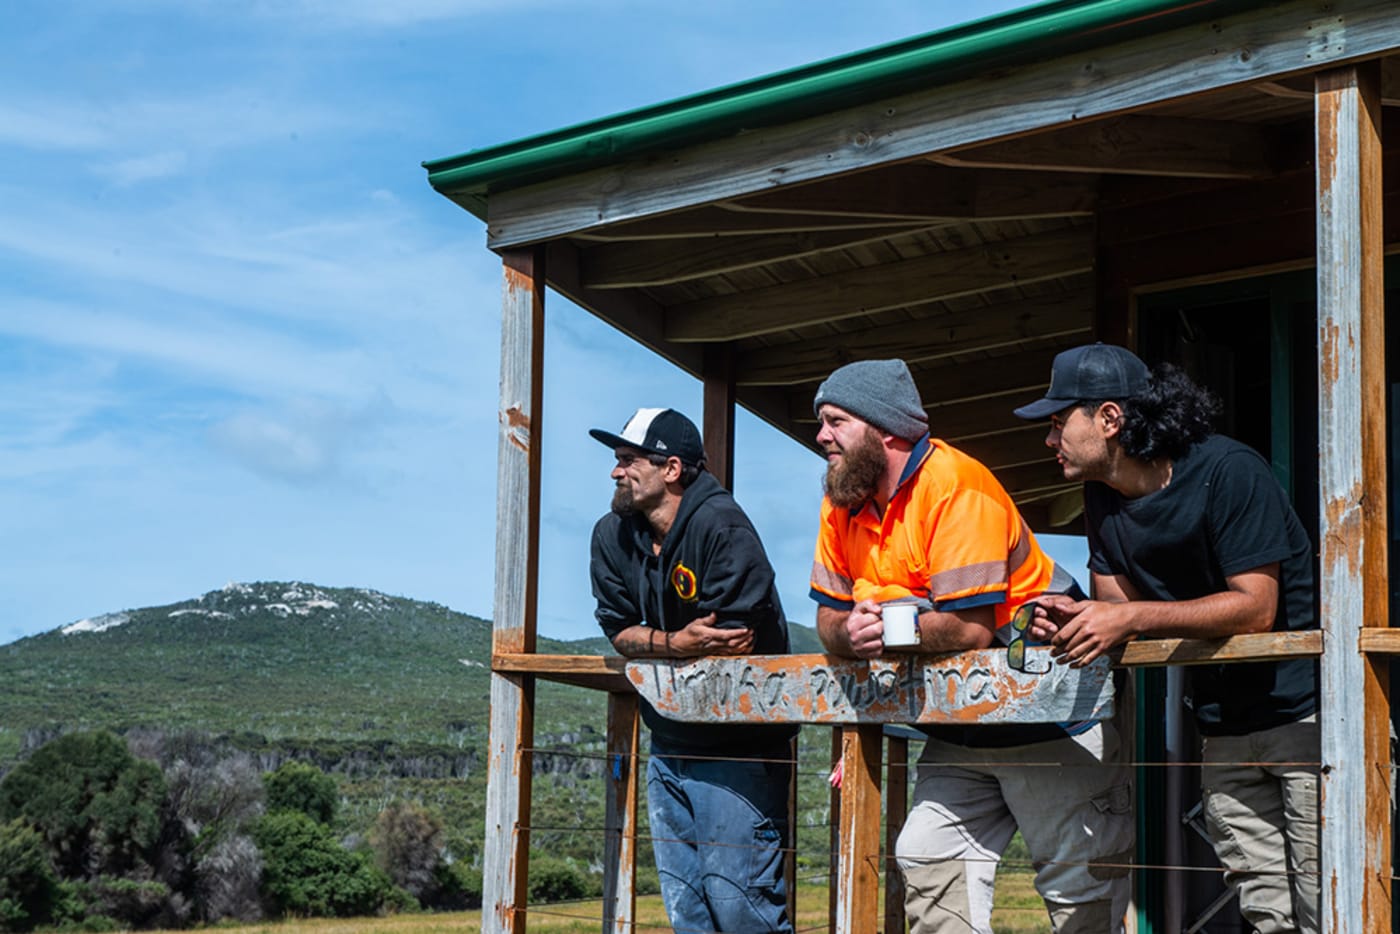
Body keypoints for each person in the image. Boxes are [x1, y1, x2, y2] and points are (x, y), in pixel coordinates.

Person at [808, 359, 1133, 934]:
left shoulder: (956, 484)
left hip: (1051, 716)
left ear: (885, 429)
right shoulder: (842, 501)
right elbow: (828, 614)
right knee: (927, 862)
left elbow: (971, 629)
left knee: (1080, 893)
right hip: (958, 724)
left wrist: (883, 631)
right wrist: (848, 634)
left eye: (835, 421)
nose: (821, 436)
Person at [1013, 342, 1319, 934]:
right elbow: (1119, 610)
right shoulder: (1100, 496)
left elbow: (1256, 608)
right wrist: (1073, 617)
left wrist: (1125, 619)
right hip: (1222, 726)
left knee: (1327, 899)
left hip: (1307, 719)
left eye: (1057, 423)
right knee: (1267, 913)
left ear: (1109, 418)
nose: (1049, 441)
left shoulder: (1230, 471)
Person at [588, 406, 797, 933]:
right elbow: (619, 631)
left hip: (739, 748)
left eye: (629, 460)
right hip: (669, 743)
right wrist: (676, 643)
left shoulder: (721, 526)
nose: (616, 472)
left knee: (743, 909)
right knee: (688, 913)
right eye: (616, 460)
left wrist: (656, 645)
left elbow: (732, 640)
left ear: (672, 469)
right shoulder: (612, 535)